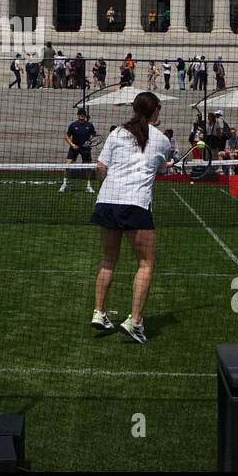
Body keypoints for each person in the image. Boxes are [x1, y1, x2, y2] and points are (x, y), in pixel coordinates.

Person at [90, 91, 172, 345]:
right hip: (135, 204)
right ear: (154, 111)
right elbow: (161, 169)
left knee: (108, 260)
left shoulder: (117, 133)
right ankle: (135, 322)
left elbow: (101, 168)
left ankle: (99, 312)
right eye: (158, 109)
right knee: (146, 263)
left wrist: (110, 185)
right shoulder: (161, 140)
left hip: (107, 202)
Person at [61, 107, 97, 194]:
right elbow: (67, 137)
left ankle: (88, 186)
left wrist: (90, 141)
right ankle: (64, 184)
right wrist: (72, 145)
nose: (82, 115)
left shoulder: (89, 125)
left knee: (88, 167)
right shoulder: (73, 125)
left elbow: (94, 136)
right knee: (67, 165)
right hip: (74, 148)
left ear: (85, 115)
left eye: (83, 114)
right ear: (77, 115)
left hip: (85, 149)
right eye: (80, 114)